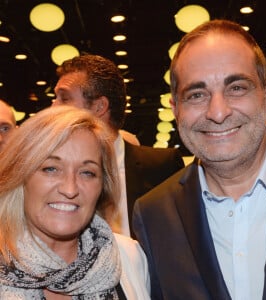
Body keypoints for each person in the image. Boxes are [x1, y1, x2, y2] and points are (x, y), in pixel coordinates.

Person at [132, 19, 266, 300]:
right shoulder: (153, 215)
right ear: (176, 109)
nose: (218, 112)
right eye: (196, 95)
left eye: (236, 88)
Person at [0, 105, 150, 299]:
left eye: (87, 173)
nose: (70, 189)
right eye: (51, 169)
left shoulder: (129, 257)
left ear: (102, 186)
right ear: (20, 176)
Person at [53, 54, 184, 236]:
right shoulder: (49, 174)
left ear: (99, 107)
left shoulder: (161, 167)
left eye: (64, 98)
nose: (53, 108)